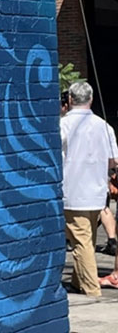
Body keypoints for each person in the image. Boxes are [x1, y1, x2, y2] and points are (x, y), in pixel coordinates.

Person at [60, 81, 118, 296]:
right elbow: (114, 161)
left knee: (82, 242)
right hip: (97, 192)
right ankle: (77, 281)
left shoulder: (63, 125)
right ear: (91, 99)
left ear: (71, 100)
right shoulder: (104, 125)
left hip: (73, 192)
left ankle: (91, 289)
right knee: (87, 239)